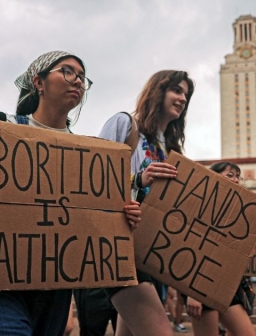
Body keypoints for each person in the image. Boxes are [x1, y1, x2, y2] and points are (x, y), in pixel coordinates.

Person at [0, 50, 142, 336]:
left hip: (53, 292)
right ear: (39, 82)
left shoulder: (86, 153)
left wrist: (121, 220)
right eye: (68, 71)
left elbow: (88, 224)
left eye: (83, 78)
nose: (78, 82)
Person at [99, 70, 195, 336]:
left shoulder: (171, 147)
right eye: (177, 90)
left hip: (151, 252)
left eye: (186, 94)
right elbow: (94, 177)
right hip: (119, 244)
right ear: (158, 91)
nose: (183, 98)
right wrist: (138, 179)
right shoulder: (124, 124)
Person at [184, 162, 256, 336]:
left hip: (226, 285)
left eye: (238, 176)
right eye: (230, 175)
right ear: (214, 176)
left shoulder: (238, 211)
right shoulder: (200, 206)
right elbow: (188, 247)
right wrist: (192, 293)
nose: (236, 180)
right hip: (200, 285)